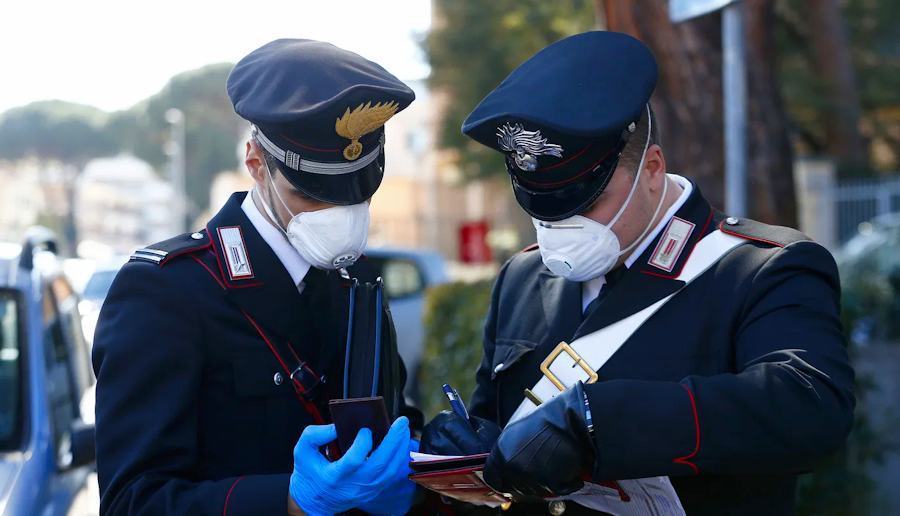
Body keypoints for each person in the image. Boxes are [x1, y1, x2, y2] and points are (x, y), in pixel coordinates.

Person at [421, 31, 855, 515]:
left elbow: (810, 407)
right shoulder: (522, 277)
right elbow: (502, 428)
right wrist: (470, 454)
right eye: (542, 208)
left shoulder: (760, 267)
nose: (561, 227)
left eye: (585, 203)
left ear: (652, 169)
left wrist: (601, 420)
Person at [92, 39, 422, 515]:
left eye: (357, 194)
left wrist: (429, 467)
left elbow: (391, 419)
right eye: (313, 194)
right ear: (256, 163)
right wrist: (288, 501)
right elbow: (132, 502)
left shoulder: (355, 280)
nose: (340, 214)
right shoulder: (165, 291)